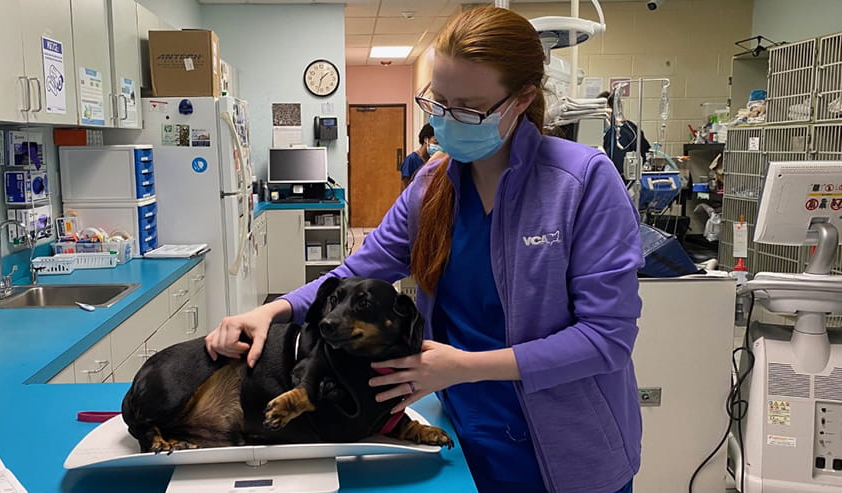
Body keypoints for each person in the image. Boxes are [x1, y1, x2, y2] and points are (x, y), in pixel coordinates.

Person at [206, 7, 642, 493]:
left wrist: (464, 367)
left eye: (470, 108)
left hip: (564, 442)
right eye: (439, 102)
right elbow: (358, 269)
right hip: (456, 422)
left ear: (523, 98)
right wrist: (275, 309)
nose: (449, 121)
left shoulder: (581, 182)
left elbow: (606, 338)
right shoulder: (431, 185)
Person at [599, 90, 651, 179]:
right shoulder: (632, 128)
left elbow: (616, 167)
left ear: (608, 109)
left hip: (620, 182)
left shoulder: (616, 134)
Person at [401, 123, 441, 191]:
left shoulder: (433, 160)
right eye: (436, 142)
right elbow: (405, 186)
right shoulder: (411, 160)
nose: (438, 146)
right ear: (426, 140)